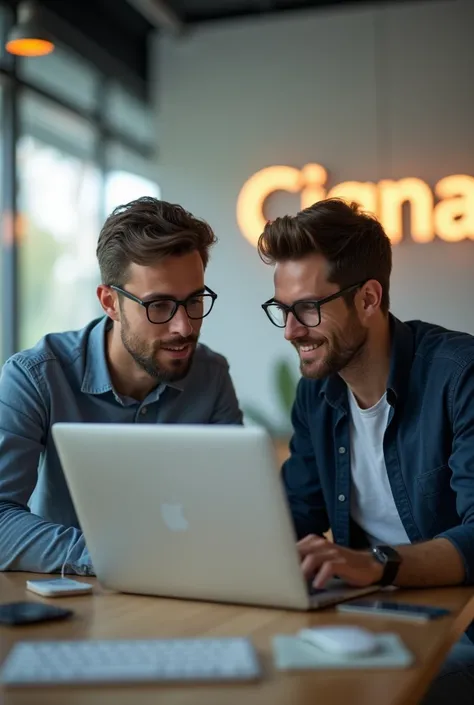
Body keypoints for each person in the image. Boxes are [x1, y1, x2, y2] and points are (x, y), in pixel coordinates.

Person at [257, 198, 474, 703]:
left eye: (308, 309)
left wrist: (377, 563)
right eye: (282, 310)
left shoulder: (459, 376)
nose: (291, 331)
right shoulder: (316, 393)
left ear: (369, 299)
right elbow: (297, 516)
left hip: (461, 624)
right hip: (369, 619)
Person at [0, 197, 242, 576]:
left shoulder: (211, 376)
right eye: (159, 305)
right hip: (75, 596)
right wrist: (113, 557)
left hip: (184, 588)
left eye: (195, 300)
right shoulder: (34, 377)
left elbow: (236, 505)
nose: (185, 327)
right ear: (110, 302)